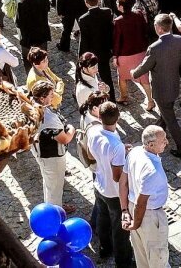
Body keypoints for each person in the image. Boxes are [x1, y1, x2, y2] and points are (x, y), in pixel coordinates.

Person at [131, 15, 181, 158]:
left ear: (159, 28)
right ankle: (161, 126)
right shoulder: (179, 41)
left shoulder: (154, 48)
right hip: (173, 87)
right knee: (166, 112)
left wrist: (133, 73)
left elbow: (144, 67)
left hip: (161, 91)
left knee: (171, 119)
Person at [86, 101, 134, 267]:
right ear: (118, 118)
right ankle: (123, 262)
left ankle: (105, 248)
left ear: (99, 116)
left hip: (99, 183)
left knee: (102, 218)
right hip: (113, 192)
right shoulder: (116, 146)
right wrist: (126, 157)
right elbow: (117, 176)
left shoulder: (93, 131)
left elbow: (92, 154)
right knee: (120, 230)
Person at [120, 125, 171, 268]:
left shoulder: (134, 152)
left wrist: (124, 210)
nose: (166, 142)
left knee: (141, 256)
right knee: (157, 259)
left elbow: (123, 183)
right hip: (147, 215)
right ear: (151, 145)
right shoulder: (152, 170)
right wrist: (135, 223)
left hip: (133, 208)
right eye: (163, 140)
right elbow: (141, 203)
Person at [31, 81, 75, 209]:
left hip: (42, 152)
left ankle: (54, 206)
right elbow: (65, 139)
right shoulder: (47, 119)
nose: (53, 96)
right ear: (42, 98)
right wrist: (72, 129)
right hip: (51, 156)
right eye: (51, 94)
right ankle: (55, 213)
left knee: (49, 183)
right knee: (54, 186)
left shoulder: (33, 106)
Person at [113, 0, 155, 110]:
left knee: (122, 77)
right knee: (144, 78)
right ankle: (150, 100)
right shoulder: (139, 14)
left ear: (121, 6)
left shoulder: (118, 21)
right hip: (140, 52)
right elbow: (145, 30)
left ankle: (124, 96)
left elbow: (117, 40)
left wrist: (115, 56)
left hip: (124, 54)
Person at [78, 0, 116, 101]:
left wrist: (81, 56)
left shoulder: (83, 19)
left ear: (86, 2)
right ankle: (111, 99)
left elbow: (84, 40)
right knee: (107, 76)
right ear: (98, 0)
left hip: (94, 52)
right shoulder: (107, 12)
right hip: (106, 49)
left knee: (93, 76)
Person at [16, 0, 51, 71]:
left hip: (30, 38)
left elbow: (19, 23)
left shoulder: (22, 2)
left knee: (29, 62)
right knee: (43, 59)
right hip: (43, 33)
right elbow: (48, 8)